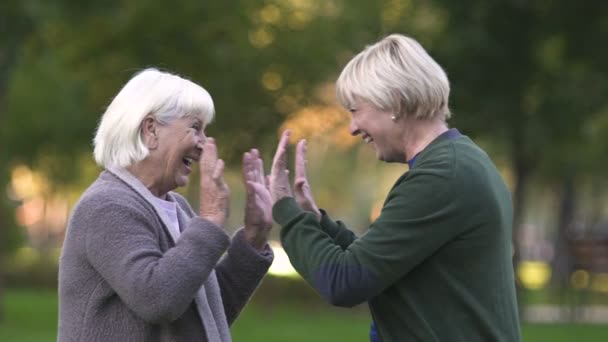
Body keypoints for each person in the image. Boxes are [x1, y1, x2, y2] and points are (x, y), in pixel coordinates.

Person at [249, 34, 521, 341]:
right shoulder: (460, 163)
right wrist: (318, 223)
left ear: (395, 102)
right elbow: (378, 263)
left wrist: (286, 210)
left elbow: (344, 281)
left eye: (355, 110)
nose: (352, 128)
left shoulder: (442, 177)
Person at [58, 68, 274, 342]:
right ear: (150, 130)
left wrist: (254, 238)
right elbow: (157, 299)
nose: (203, 144)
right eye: (195, 127)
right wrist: (209, 218)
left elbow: (203, 314)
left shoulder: (176, 207)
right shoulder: (106, 206)